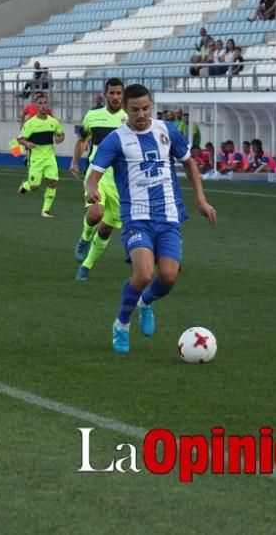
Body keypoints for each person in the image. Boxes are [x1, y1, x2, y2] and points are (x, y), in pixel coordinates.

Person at [86, 84, 216, 354]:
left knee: (168, 277)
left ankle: (145, 303)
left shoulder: (167, 131)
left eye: (146, 108)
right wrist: (92, 189)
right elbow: (94, 174)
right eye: (135, 109)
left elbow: (189, 162)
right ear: (125, 109)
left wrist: (201, 200)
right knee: (144, 273)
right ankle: (121, 324)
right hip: (136, 217)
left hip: (168, 217)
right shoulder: (115, 139)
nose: (141, 114)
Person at [70, 78, 126, 280]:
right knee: (95, 213)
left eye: (119, 93)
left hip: (120, 179)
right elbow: (83, 140)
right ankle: (84, 238)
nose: (115, 97)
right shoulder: (93, 116)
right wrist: (75, 162)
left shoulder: (129, 118)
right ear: (105, 94)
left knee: (106, 228)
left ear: (123, 94)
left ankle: (87, 265)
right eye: (112, 93)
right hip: (96, 173)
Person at [17, 92, 65, 218]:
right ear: (36, 106)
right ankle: (25, 186)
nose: (43, 106)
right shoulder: (30, 124)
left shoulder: (53, 122)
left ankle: (45, 211)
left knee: (52, 182)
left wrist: (60, 138)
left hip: (49, 157)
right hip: (36, 159)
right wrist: (27, 143)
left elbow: (60, 133)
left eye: (45, 103)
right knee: (35, 186)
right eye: (40, 103)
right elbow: (20, 139)